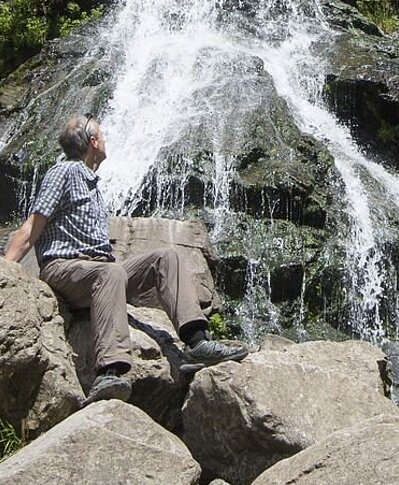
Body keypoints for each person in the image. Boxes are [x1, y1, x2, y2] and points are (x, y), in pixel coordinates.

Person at [4, 113, 249, 405]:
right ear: (93, 142)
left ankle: (197, 341)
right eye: (103, 136)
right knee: (111, 274)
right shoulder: (64, 172)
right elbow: (32, 226)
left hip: (99, 272)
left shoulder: (92, 183)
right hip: (65, 269)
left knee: (166, 257)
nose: (106, 140)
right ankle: (110, 371)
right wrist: (7, 271)